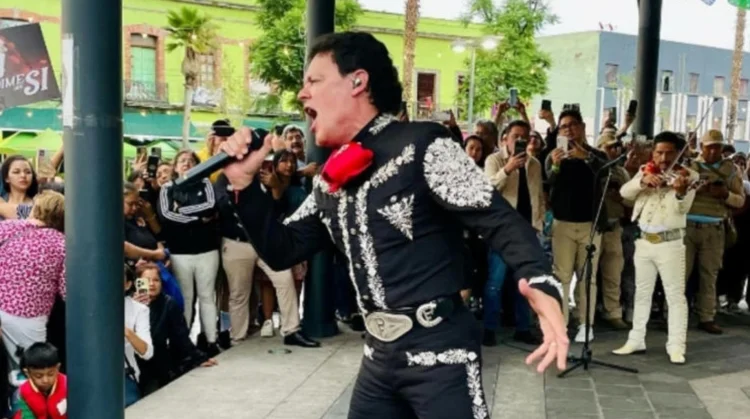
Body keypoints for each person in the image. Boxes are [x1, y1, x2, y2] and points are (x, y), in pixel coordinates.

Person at [214, 32, 567, 418]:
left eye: (313, 81)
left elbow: (498, 218)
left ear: (357, 81)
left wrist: (539, 281)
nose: (302, 94)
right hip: (378, 360)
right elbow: (282, 249)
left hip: (442, 358)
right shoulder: (329, 179)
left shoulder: (423, 144)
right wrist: (244, 186)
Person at [612, 132, 697, 365]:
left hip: (670, 243)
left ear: (679, 152)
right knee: (642, 293)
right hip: (644, 241)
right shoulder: (646, 170)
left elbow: (683, 208)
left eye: (669, 152)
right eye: (659, 152)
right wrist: (642, 181)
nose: (663, 157)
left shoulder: (689, 176)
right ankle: (636, 339)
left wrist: (680, 192)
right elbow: (624, 193)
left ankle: (677, 345)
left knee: (674, 296)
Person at [13, 343, 66, 419]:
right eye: (39, 376)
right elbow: (27, 416)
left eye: (50, 374)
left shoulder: (67, 385)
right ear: (28, 373)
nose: (45, 380)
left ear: (57, 368)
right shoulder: (24, 391)